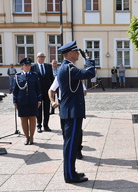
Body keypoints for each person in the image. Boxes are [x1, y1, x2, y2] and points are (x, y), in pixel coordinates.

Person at [57, 40, 95, 183]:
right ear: (70, 53)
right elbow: (90, 73)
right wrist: (90, 60)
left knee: (71, 144)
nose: (79, 54)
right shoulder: (69, 68)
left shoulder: (67, 67)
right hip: (72, 111)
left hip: (71, 110)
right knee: (71, 145)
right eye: (77, 52)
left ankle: (71, 172)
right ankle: (70, 175)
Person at [48, 76, 86, 160]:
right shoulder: (60, 76)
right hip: (64, 103)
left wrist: (82, 91)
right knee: (65, 128)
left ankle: (78, 150)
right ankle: (69, 149)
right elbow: (51, 90)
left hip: (76, 104)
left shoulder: (77, 76)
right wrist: (52, 101)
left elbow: (84, 91)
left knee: (78, 129)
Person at [13, 58, 42, 145]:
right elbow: (15, 90)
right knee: (24, 119)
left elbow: (38, 89)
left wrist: (39, 99)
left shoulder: (34, 75)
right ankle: (26, 137)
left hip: (32, 100)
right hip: (21, 101)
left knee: (32, 119)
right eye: (26, 65)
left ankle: (32, 136)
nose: (28, 67)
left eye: (29, 65)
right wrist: (14, 101)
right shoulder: (18, 76)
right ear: (22, 66)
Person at [31, 52, 54, 133]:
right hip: (37, 92)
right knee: (38, 109)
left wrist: (53, 89)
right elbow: (31, 80)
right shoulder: (33, 67)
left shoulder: (48, 66)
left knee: (47, 108)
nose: (42, 58)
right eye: (41, 57)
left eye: (43, 56)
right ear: (37, 57)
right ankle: (39, 125)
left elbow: (52, 78)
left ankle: (46, 125)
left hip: (47, 91)